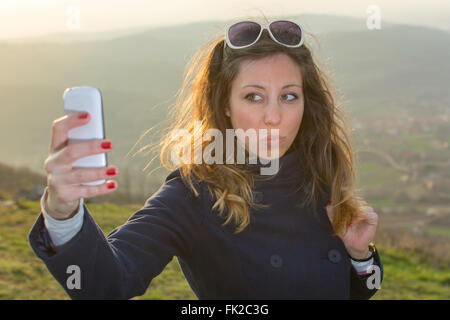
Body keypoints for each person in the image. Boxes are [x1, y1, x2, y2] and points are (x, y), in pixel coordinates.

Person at [28, 19, 383, 299]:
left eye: (289, 96)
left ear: (307, 102)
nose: (274, 116)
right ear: (224, 106)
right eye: (254, 97)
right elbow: (105, 285)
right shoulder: (194, 194)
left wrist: (359, 255)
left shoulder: (318, 175)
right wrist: (62, 212)